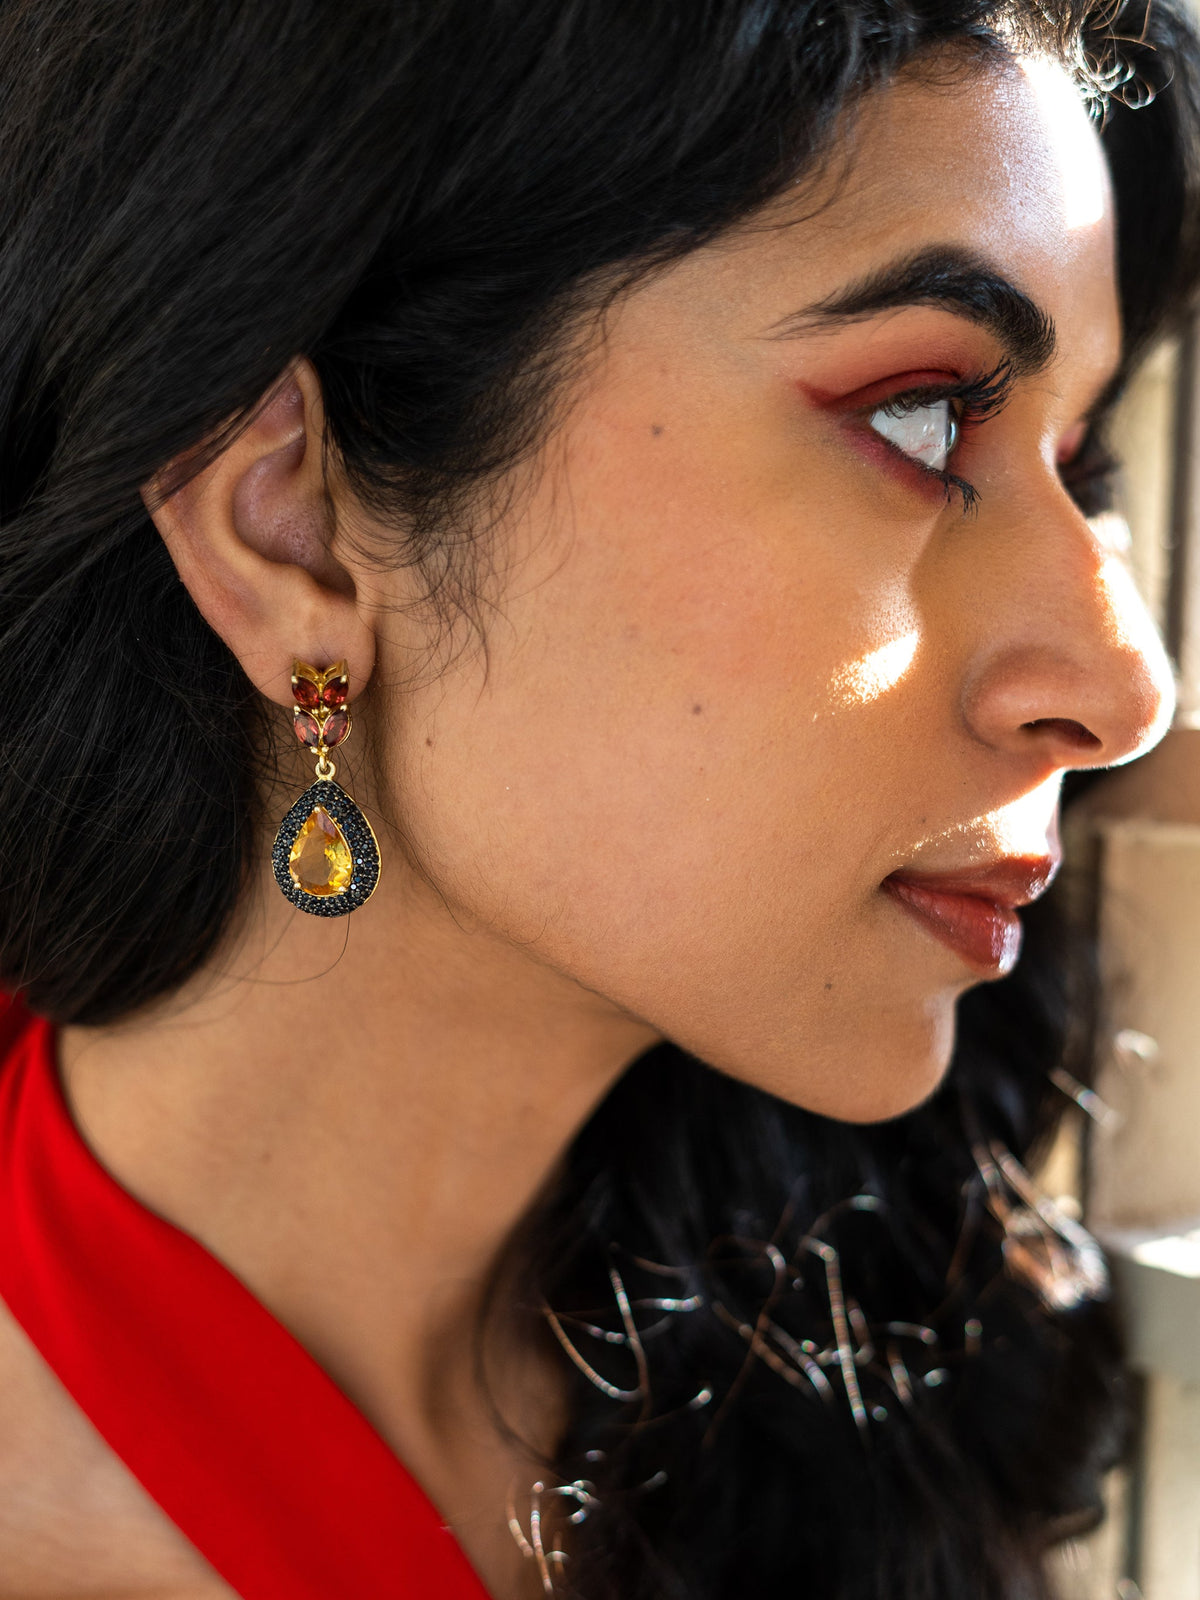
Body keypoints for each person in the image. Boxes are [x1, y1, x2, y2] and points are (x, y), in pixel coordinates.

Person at [1, 1, 1198, 1595]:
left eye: (1082, 471)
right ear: (293, 528)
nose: (1126, 689)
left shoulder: (843, 1331)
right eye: (920, 416)